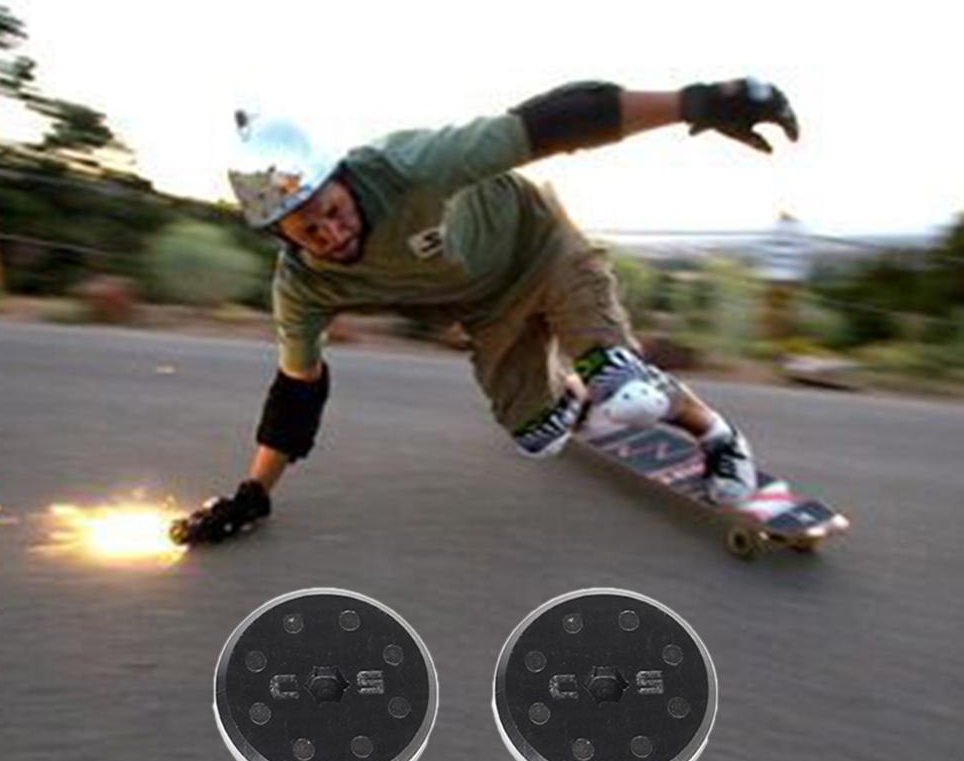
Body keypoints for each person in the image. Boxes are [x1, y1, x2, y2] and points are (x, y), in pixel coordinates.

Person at [170, 78, 799, 544]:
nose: (332, 235)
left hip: (544, 248)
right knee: (538, 437)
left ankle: (715, 434)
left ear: (342, 178)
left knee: (621, 385)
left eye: (334, 211)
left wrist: (698, 102)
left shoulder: (409, 167)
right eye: (309, 232)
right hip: (489, 308)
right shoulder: (302, 289)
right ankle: (578, 392)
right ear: (282, 238)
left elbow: (551, 122)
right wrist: (252, 494)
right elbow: (296, 393)